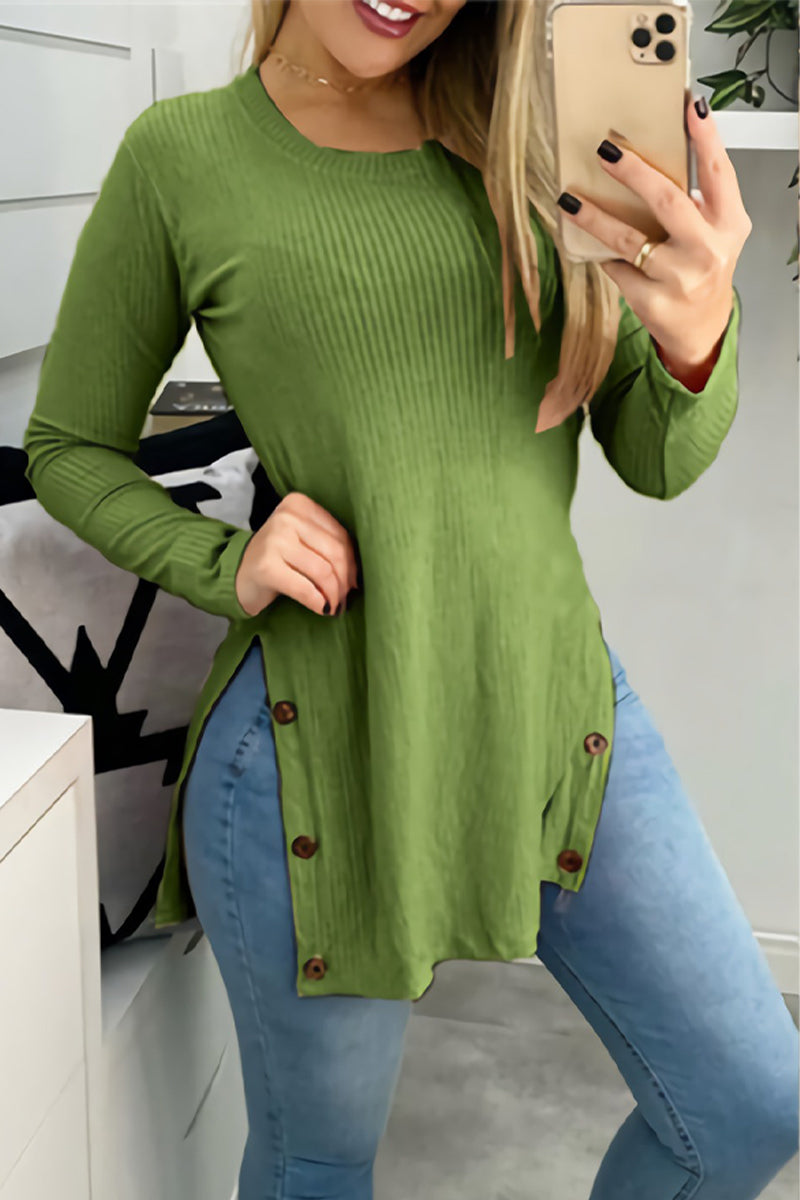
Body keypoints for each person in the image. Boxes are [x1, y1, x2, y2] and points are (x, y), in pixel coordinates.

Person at [22, 1, 798, 1197]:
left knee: (748, 1104)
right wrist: (225, 558)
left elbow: (655, 458)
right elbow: (69, 447)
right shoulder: (181, 156)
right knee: (318, 1167)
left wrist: (696, 335)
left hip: (559, 714)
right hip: (316, 745)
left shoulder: (533, 147)